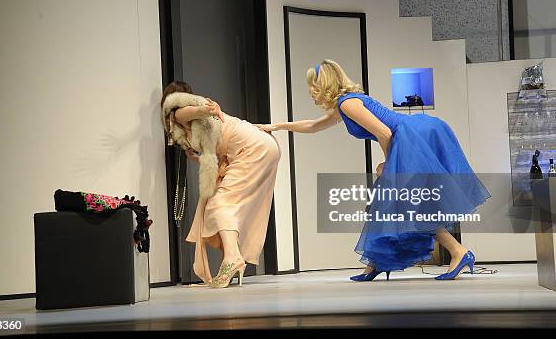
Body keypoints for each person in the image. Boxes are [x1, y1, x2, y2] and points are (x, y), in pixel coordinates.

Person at [256, 60, 491, 281]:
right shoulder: (346, 104)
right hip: (410, 135)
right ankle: (380, 262)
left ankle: (457, 251)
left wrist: (390, 165)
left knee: (408, 206)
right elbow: (314, 125)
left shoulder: (348, 103)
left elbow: (385, 133)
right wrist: (275, 126)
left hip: (410, 137)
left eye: (313, 88)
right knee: (399, 206)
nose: (311, 93)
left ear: (324, 85)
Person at [161, 81, 281, 288]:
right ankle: (232, 257)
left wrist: (207, 108)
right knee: (219, 203)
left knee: (219, 203)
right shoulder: (191, 124)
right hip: (259, 145)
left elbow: (197, 110)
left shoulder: (178, 113)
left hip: (252, 148)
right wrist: (198, 157)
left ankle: (233, 257)